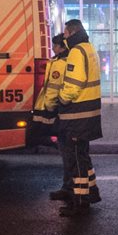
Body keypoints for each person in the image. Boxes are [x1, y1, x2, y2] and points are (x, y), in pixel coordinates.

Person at [56, 18, 103, 217]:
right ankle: (91, 192)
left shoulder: (76, 51)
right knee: (83, 155)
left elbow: (74, 84)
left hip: (77, 113)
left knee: (76, 158)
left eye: (65, 33)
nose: (64, 36)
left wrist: (61, 99)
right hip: (90, 112)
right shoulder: (89, 48)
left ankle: (81, 201)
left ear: (72, 32)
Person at [36, 33, 73, 201]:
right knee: (69, 152)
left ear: (62, 47)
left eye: (55, 46)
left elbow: (52, 90)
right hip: (66, 111)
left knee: (66, 152)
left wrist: (48, 108)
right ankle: (71, 186)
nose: (53, 48)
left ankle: (68, 187)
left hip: (58, 112)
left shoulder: (59, 64)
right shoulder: (68, 61)